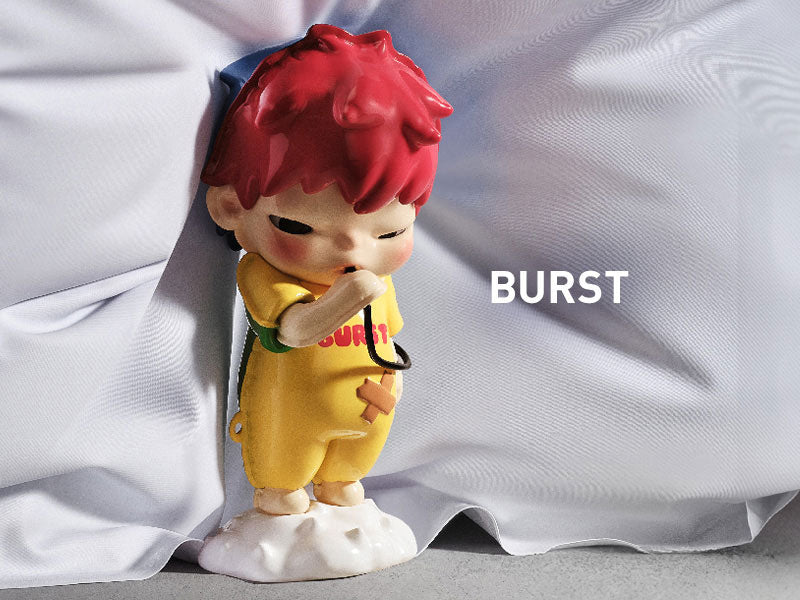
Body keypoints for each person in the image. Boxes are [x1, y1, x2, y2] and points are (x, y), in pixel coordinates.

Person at [202, 24, 452, 516]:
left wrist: (391, 377)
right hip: (290, 407)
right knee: (282, 489)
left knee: (346, 484)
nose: (355, 251)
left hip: (371, 404)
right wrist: (346, 299)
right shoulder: (267, 276)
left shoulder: (379, 283)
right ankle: (279, 504)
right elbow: (291, 331)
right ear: (231, 208)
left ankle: (342, 488)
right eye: (299, 226)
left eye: (390, 233)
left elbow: (387, 335)